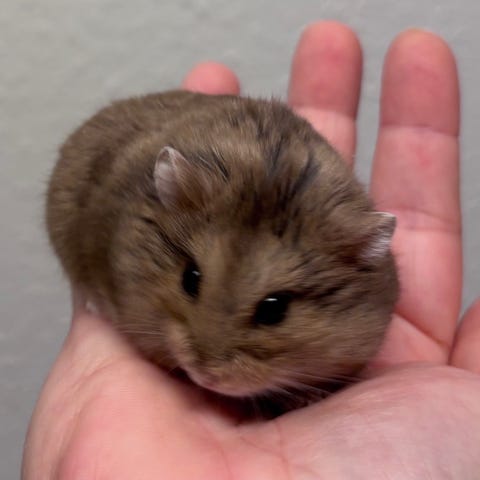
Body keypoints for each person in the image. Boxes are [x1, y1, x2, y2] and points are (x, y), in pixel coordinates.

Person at [22, 21, 480, 479]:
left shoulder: (354, 257)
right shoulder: (152, 215)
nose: (207, 363)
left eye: (273, 309)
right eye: (192, 281)